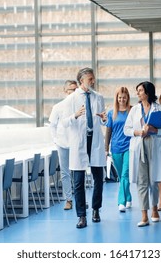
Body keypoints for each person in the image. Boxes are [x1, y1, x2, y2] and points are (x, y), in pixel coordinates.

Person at [61, 67, 107, 229]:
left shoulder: (98, 97)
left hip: (94, 142)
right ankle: (81, 216)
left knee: (98, 180)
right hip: (79, 142)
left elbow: (103, 121)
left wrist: (104, 118)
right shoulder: (71, 99)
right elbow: (64, 122)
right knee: (78, 182)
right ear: (81, 81)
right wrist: (75, 115)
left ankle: (95, 210)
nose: (93, 81)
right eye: (90, 79)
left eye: (93, 79)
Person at [124, 81, 161, 227]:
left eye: (140, 91)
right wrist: (138, 132)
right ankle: (144, 215)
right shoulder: (134, 110)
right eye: (137, 91)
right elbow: (126, 129)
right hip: (139, 146)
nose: (137, 93)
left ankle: (154, 209)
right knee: (142, 182)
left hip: (154, 145)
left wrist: (154, 130)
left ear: (147, 93)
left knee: (154, 181)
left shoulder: (159, 109)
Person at [48, 80, 78, 210]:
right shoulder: (58, 107)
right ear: (65, 91)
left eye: (76, 89)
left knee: (78, 172)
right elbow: (52, 125)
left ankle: (80, 198)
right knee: (65, 173)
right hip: (62, 143)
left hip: (76, 143)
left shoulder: (79, 106)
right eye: (72, 89)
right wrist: (55, 140)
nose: (75, 92)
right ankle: (69, 200)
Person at [104, 87, 132, 212]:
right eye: (119, 97)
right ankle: (128, 196)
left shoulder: (132, 111)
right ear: (116, 98)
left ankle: (121, 202)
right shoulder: (111, 113)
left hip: (129, 147)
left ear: (127, 98)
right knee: (122, 177)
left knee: (125, 174)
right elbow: (108, 131)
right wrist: (106, 149)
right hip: (115, 148)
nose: (122, 99)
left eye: (124, 97)